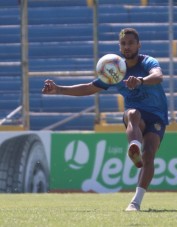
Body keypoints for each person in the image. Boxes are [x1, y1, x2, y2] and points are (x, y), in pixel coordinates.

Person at [42, 28, 169, 211]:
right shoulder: (116, 69)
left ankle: (136, 202)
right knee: (133, 114)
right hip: (136, 116)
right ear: (119, 46)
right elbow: (88, 88)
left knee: (149, 156)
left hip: (157, 116)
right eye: (123, 43)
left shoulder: (148, 61)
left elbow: (158, 76)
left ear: (138, 45)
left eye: (131, 43)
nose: (127, 47)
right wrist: (59, 89)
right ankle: (133, 145)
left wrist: (140, 80)